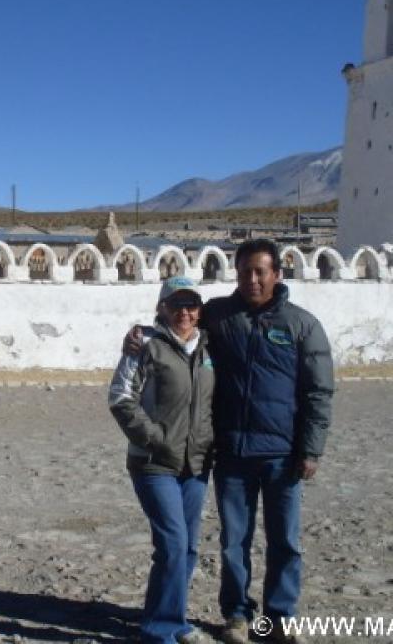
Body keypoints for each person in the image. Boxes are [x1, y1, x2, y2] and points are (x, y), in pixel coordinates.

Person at [124, 239, 334, 644]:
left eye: (260, 271)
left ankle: (278, 618)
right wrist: (138, 335)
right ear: (235, 273)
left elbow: (318, 392)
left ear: (277, 274)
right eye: (244, 272)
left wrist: (311, 449)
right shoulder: (219, 314)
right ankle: (237, 615)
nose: (252, 279)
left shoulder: (301, 324)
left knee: (285, 541)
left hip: (282, 453)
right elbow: (175, 327)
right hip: (233, 453)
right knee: (233, 541)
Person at [109, 276, 215, 644]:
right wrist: (153, 439)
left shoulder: (208, 346)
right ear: (162, 308)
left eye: (192, 305)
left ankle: (168, 619)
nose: (185, 312)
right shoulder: (146, 346)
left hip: (196, 464)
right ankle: (161, 631)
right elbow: (120, 397)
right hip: (154, 463)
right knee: (172, 543)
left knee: (186, 547)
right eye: (176, 304)